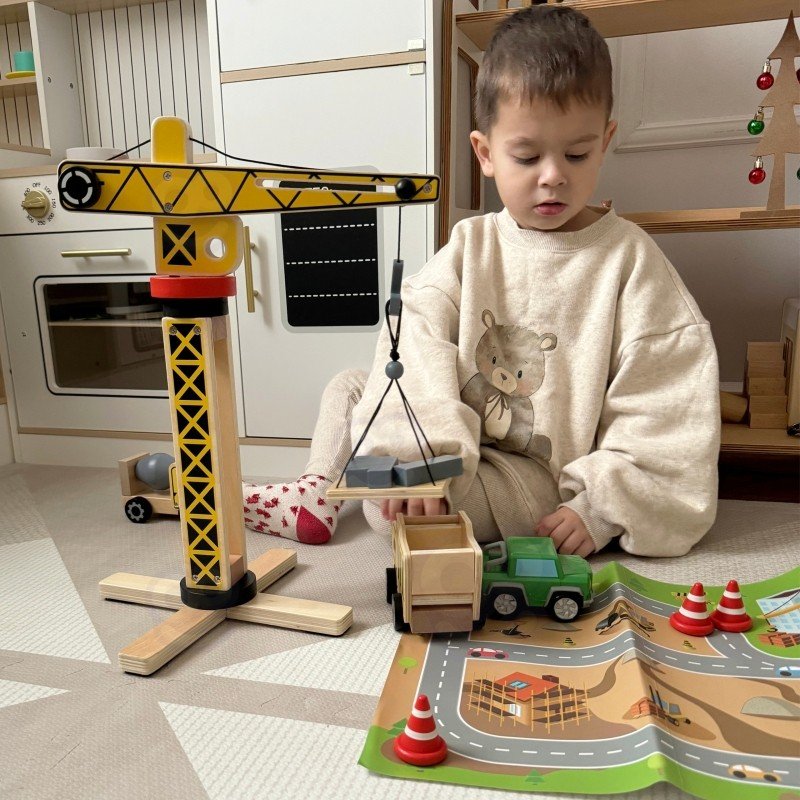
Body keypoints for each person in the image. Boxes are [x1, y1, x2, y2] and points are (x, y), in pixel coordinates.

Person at [243, 4, 720, 557]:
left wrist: (599, 507)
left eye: (577, 153)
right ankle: (315, 491)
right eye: (527, 156)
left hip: (533, 477)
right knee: (351, 386)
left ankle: (368, 490)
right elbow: (415, 335)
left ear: (605, 142)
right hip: (454, 442)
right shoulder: (471, 243)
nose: (553, 176)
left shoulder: (629, 259)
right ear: (486, 153)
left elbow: (665, 406)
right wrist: (418, 453)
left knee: (386, 510)